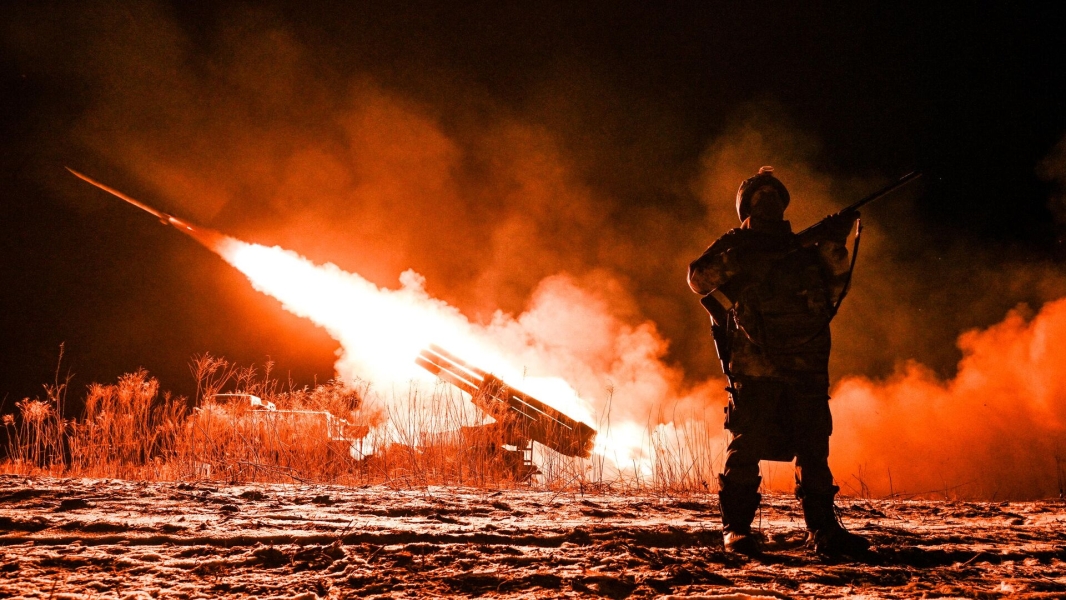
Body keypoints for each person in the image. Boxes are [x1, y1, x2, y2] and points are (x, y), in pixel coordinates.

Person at [687, 166, 870, 557]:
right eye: (759, 195)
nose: (768, 200)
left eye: (774, 194)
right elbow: (698, 279)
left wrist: (834, 245)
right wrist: (743, 261)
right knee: (747, 444)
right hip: (756, 363)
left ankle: (823, 531)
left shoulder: (805, 248)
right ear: (746, 205)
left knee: (813, 447)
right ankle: (736, 530)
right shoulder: (737, 242)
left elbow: (837, 286)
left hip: (806, 363)